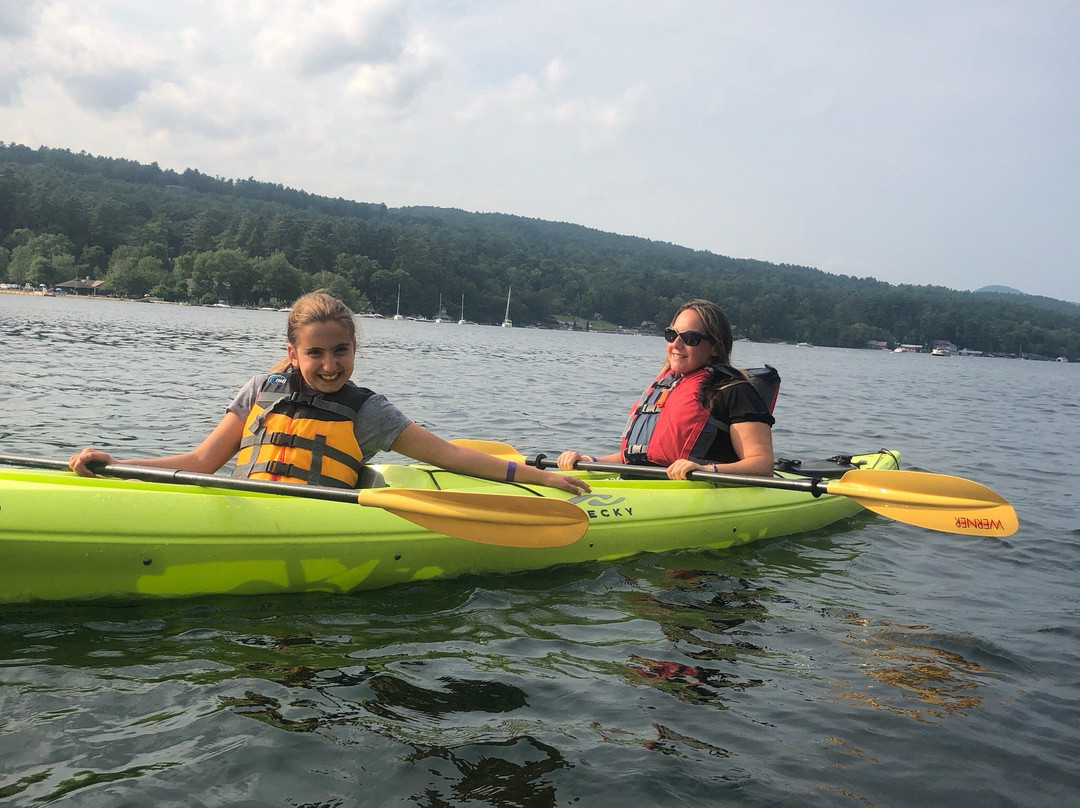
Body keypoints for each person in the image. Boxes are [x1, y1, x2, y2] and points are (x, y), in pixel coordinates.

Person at [69, 291, 589, 495]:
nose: (329, 364)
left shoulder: (368, 411)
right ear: (292, 352)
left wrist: (538, 475)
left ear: (354, 349)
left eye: (341, 351)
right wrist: (119, 464)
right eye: (315, 353)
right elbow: (203, 461)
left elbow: (449, 455)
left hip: (312, 516)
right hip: (241, 504)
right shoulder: (260, 391)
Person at [556, 298, 775, 480]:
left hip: (695, 490)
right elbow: (635, 459)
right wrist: (590, 462)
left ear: (715, 348)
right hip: (642, 486)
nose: (676, 345)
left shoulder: (734, 392)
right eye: (672, 335)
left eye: (690, 338)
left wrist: (706, 470)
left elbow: (762, 466)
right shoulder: (666, 386)